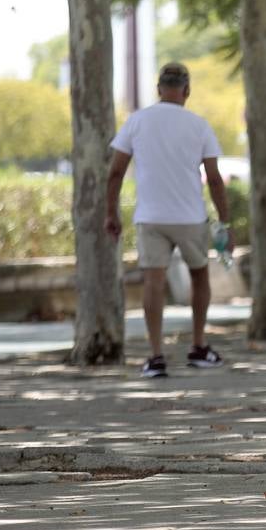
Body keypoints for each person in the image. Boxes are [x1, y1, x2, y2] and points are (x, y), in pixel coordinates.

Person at [105, 62, 229, 378]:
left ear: (159, 89)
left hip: (151, 217)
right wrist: (224, 222)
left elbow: (116, 171)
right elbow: (214, 179)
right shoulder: (199, 125)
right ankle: (199, 347)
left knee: (153, 283)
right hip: (190, 216)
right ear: (186, 90)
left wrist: (111, 212)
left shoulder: (137, 121)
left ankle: (156, 355)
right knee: (199, 277)